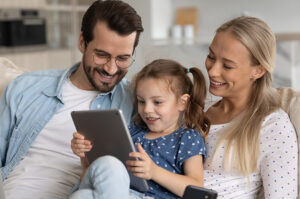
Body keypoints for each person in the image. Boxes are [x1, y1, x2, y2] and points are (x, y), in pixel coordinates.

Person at [0, 1, 143, 198]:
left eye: (123, 58)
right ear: (82, 43)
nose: (111, 69)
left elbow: (184, 133)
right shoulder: (25, 88)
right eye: (102, 55)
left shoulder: (138, 99)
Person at [70, 59, 210, 199]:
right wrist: (85, 154)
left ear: (182, 102)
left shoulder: (187, 138)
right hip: (117, 192)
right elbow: (95, 174)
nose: (147, 109)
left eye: (157, 102)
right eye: (141, 101)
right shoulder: (132, 132)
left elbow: (196, 189)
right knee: (84, 193)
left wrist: (154, 172)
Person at [203, 16, 298, 198]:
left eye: (228, 66)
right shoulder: (198, 110)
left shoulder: (272, 126)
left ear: (258, 71)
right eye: (210, 57)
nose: (212, 71)